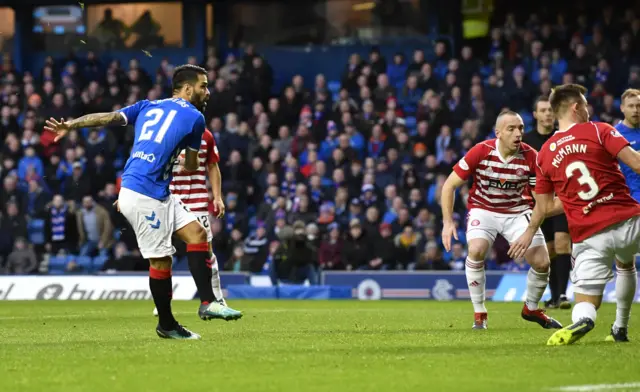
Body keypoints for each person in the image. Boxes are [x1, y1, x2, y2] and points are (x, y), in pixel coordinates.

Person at [44, 64, 241, 340]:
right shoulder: (196, 118)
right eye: (203, 86)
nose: (207, 92)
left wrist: (72, 124)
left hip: (151, 189)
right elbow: (192, 165)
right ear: (187, 88)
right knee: (161, 262)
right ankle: (167, 324)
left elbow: (107, 117)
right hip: (144, 194)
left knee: (197, 233)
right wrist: (184, 158)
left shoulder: (147, 105)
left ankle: (208, 303)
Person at [509, 83, 640, 345]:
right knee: (626, 263)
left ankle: (584, 320)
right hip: (627, 221)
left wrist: (532, 228)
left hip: (589, 235)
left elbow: (545, 207)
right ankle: (619, 328)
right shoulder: (600, 129)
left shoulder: (544, 153)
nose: (589, 109)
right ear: (576, 107)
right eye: (586, 104)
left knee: (586, 300)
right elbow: (636, 164)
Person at [441, 110, 562, 330]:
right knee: (476, 249)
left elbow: (542, 203)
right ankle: (480, 313)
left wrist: (528, 233)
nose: (518, 133)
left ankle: (532, 308)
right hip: (483, 209)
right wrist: (448, 222)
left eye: (521, 128)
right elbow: (449, 185)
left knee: (542, 262)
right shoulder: (481, 151)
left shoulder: (531, 157)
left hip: (517, 211)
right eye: (511, 129)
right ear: (498, 133)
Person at [151, 127, 242, 316]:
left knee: (206, 253)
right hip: (168, 200)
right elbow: (151, 166)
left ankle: (216, 299)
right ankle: (162, 303)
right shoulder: (165, 133)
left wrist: (217, 197)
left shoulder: (206, 135)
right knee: (161, 253)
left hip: (196, 201)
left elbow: (213, 166)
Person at [523, 96, 571, 309]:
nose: (548, 114)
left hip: (561, 199)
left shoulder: (564, 137)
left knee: (562, 243)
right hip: (538, 203)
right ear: (535, 115)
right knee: (549, 249)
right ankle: (553, 296)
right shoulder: (526, 141)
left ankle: (562, 295)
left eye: (550, 110)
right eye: (543, 110)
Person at [615, 88, 640, 202]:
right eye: (631, 106)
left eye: (638, 106)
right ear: (622, 108)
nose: (635, 110)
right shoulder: (614, 135)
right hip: (631, 199)